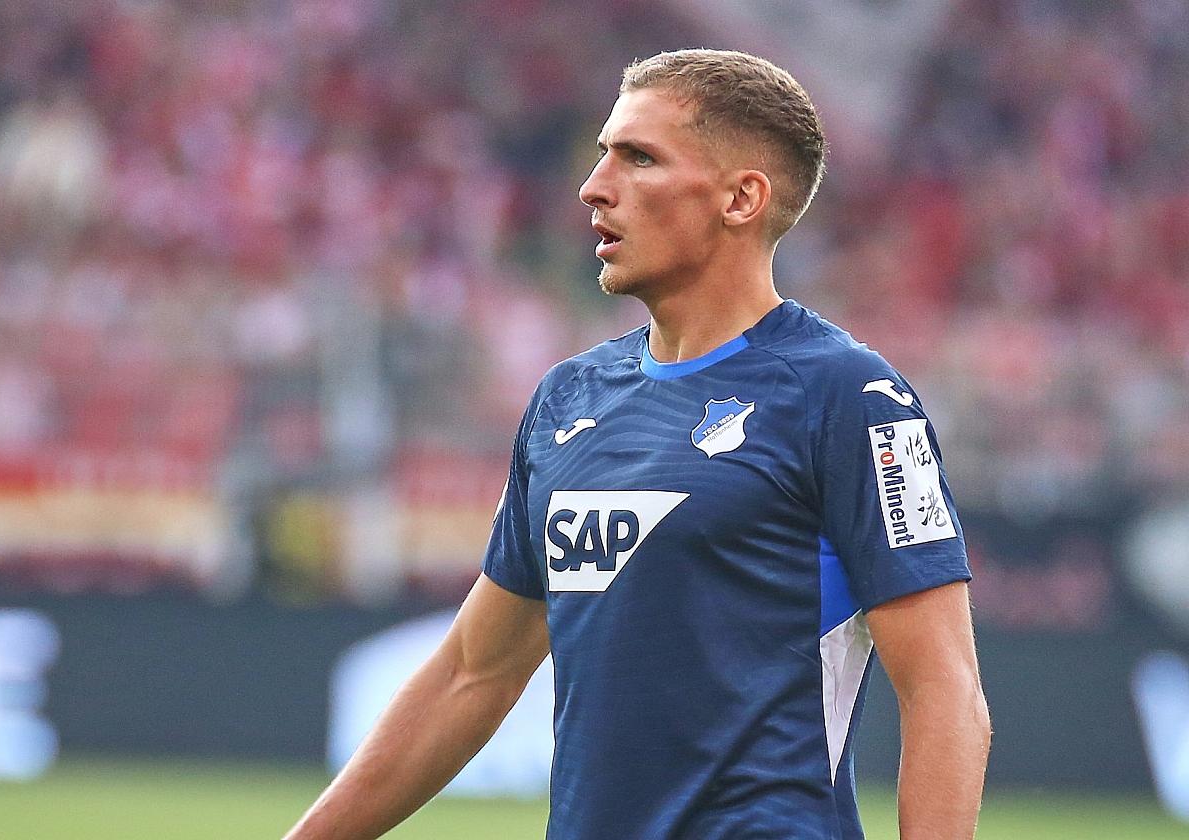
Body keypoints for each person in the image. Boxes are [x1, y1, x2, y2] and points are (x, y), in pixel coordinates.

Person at [283, 48, 990, 840]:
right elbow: (472, 676)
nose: (594, 187)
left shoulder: (852, 398)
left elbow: (943, 687)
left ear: (741, 198)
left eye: (640, 158)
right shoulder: (567, 399)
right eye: (602, 155)